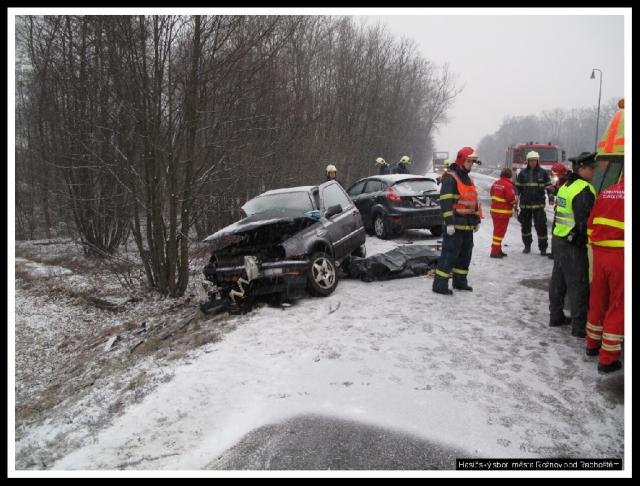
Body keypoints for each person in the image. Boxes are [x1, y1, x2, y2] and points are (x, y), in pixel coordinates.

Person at [548, 151, 597, 338]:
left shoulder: (566, 185)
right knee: (578, 285)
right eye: (591, 168)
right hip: (573, 243)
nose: (594, 172)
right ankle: (579, 327)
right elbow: (585, 223)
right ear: (581, 168)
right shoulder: (584, 189)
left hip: (559, 240)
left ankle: (556, 316)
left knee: (558, 281)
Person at [585, 178, 624, 373]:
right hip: (621, 254)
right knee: (619, 305)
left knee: (599, 300)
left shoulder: (608, 191)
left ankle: (592, 344)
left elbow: (591, 225)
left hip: (600, 253)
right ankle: (608, 359)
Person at [432, 146, 482, 295]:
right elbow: (445, 202)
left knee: (465, 254)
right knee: (449, 254)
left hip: (467, 225)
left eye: (473, 162)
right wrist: (449, 222)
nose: (471, 165)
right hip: (454, 225)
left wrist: (477, 219)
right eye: (469, 161)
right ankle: (439, 285)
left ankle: (460, 282)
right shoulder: (450, 178)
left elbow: (474, 201)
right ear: (462, 160)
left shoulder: (468, 179)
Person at [515, 151, 554, 255]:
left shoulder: (543, 173)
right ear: (528, 161)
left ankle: (543, 248)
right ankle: (527, 246)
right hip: (525, 206)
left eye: (534, 160)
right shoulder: (522, 173)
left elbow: (549, 187)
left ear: (537, 161)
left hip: (539, 206)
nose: (533, 162)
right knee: (525, 227)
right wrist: (516, 198)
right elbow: (517, 188)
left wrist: (551, 197)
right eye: (531, 160)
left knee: (541, 227)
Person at [489, 167, 516, 258]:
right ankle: (495, 252)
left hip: (495, 212)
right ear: (510, 176)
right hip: (503, 213)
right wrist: (515, 201)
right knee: (499, 233)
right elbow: (511, 198)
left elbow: (491, 193)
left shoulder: (496, 183)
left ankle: (498, 249)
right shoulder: (508, 185)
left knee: (497, 231)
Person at [547, 162, 571, 260]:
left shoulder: (568, 182)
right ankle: (554, 252)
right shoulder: (560, 180)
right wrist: (552, 191)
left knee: (561, 233)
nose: (555, 177)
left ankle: (558, 253)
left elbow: (564, 194)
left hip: (565, 213)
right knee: (555, 232)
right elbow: (558, 190)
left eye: (556, 175)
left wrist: (554, 192)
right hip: (560, 210)